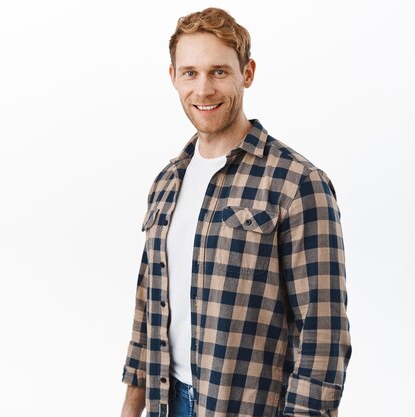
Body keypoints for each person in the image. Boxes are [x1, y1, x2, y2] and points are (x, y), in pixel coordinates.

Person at [120, 7, 352, 417]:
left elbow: (323, 333)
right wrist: (130, 408)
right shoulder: (166, 182)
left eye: (219, 72)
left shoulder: (297, 182)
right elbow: (148, 310)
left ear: (247, 73)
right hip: (166, 401)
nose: (204, 89)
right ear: (172, 77)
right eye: (190, 72)